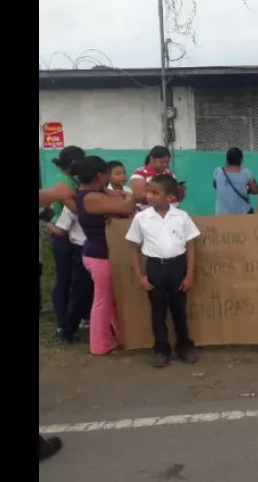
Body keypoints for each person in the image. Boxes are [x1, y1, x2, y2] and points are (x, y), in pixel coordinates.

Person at [126, 174, 201, 367]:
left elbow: (191, 245)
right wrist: (139, 276)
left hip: (178, 266)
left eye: (154, 192)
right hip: (155, 268)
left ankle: (184, 346)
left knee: (179, 310)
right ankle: (161, 349)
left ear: (169, 197)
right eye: (148, 191)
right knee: (157, 311)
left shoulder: (181, 217)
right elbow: (134, 247)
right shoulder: (141, 219)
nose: (149, 196)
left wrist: (190, 274)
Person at [70, 156, 136, 355]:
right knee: (103, 301)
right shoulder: (91, 197)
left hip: (101, 253)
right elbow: (127, 207)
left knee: (112, 300)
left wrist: (117, 196)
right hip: (100, 255)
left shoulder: (91, 193)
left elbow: (120, 201)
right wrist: (130, 196)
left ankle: (121, 336)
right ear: (99, 175)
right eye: (107, 174)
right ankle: (100, 344)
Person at [48, 145, 85, 337]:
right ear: (73, 163)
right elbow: (76, 208)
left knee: (75, 280)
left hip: (72, 234)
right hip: (62, 233)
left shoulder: (71, 179)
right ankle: (63, 322)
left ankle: (74, 318)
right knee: (64, 280)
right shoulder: (62, 181)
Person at [53, 205, 93, 343]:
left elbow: (61, 229)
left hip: (97, 247)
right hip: (81, 249)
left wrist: (51, 226)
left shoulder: (105, 199)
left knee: (87, 291)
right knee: (79, 290)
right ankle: (68, 329)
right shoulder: (73, 203)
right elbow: (62, 229)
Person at [130, 145, 185, 212]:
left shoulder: (169, 173)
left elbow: (179, 198)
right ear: (152, 159)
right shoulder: (140, 173)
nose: (165, 165)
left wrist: (180, 191)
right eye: (162, 162)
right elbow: (138, 196)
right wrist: (163, 195)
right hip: (148, 214)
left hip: (173, 213)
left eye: (167, 163)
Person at [213, 147, 258, 215]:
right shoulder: (246, 173)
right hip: (242, 214)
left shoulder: (218, 171)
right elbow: (256, 190)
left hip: (221, 215)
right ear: (241, 159)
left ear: (227, 159)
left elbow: (215, 185)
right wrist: (246, 190)